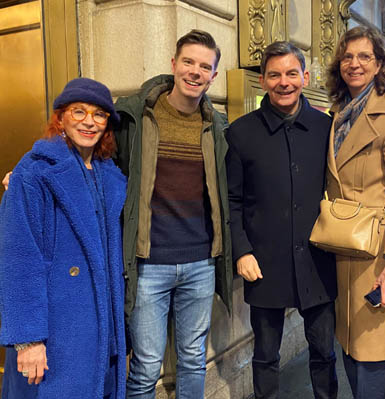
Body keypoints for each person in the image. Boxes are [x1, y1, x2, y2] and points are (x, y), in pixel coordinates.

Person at [114, 30, 232, 399]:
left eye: (205, 66)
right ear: (174, 64)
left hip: (200, 262)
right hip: (149, 263)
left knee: (193, 360)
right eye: (189, 62)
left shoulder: (217, 125)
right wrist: (28, 171)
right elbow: (96, 158)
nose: (195, 71)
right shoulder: (135, 115)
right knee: (146, 365)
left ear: (213, 75)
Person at [0, 78, 127, 398]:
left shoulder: (108, 174)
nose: (89, 121)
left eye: (99, 114)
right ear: (60, 117)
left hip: (100, 333)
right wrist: (28, 340)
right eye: (78, 111)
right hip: (56, 333)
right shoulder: (32, 172)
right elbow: (19, 259)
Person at [226, 41, 338, 399]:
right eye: (275, 75)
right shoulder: (241, 133)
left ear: (304, 77)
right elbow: (232, 199)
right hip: (264, 260)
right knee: (265, 355)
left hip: (317, 259)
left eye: (291, 73)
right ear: (263, 80)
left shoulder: (326, 128)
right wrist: (241, 251)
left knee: (323, 350)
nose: (284, 82)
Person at [324, 27, 385, 398]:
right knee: (351, 352)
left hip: (377, 255)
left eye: (364, 56)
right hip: (344, 249)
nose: (354, 63)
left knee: (375, 361)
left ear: (379, 64)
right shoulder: (339, 113)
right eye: (347, 56)